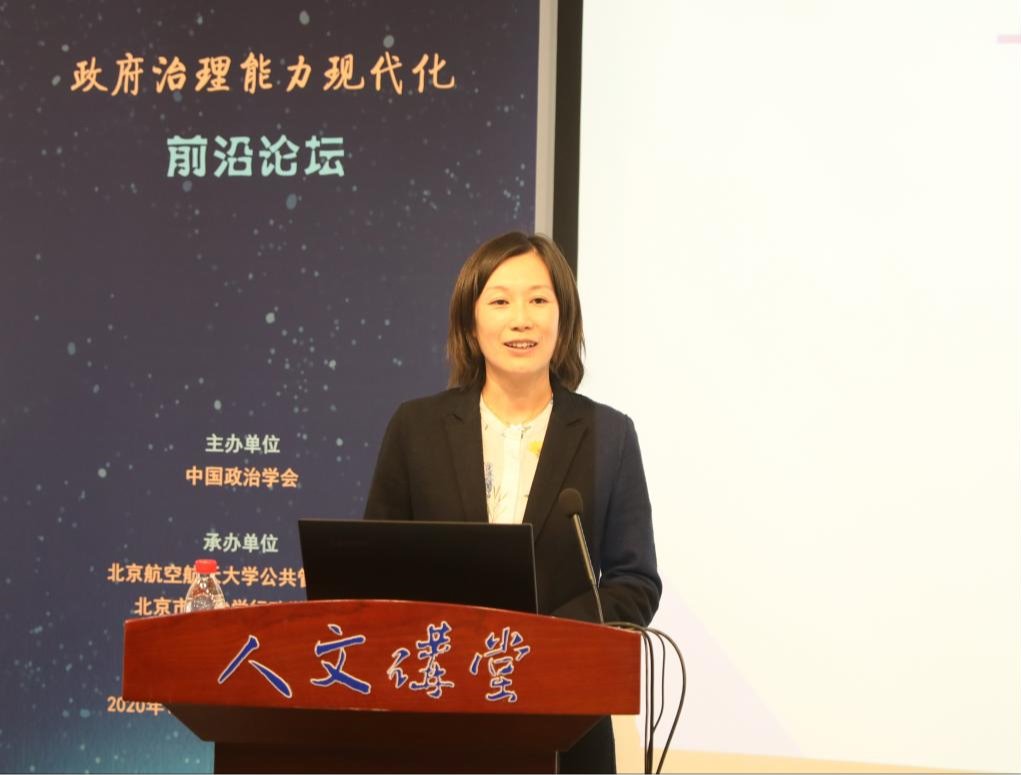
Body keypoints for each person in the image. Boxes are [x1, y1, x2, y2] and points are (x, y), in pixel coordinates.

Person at [364, 231, 661, 773]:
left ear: (563, 318)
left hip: (566, 723)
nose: (520, 319)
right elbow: (374, 572)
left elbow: (635, 581)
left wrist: (544, 640)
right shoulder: (416, 427)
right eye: (500, 301)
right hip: (436, 712)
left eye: (538, 300)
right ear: (470, 321)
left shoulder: (609, 434)